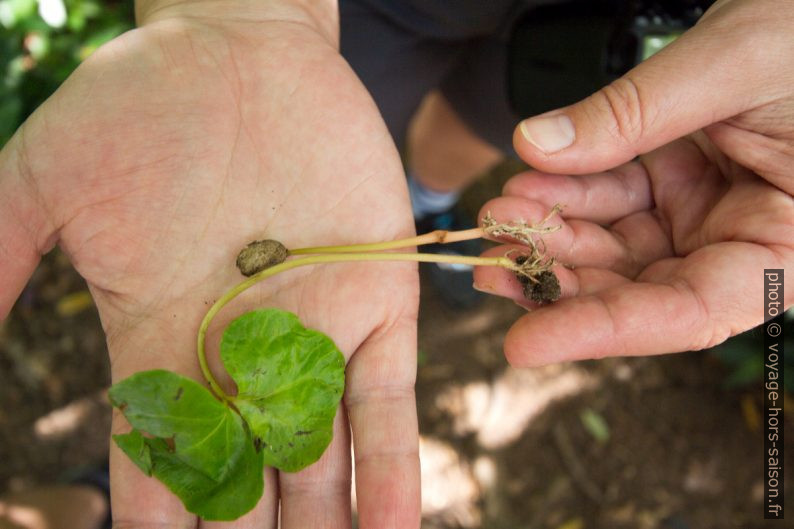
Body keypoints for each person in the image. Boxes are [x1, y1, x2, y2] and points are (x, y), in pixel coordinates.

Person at [0, 0, 791, 527]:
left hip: (607, 15)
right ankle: (419, 207)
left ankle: (423, 199)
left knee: (491, 110)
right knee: (362, 120)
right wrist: (231, 15)